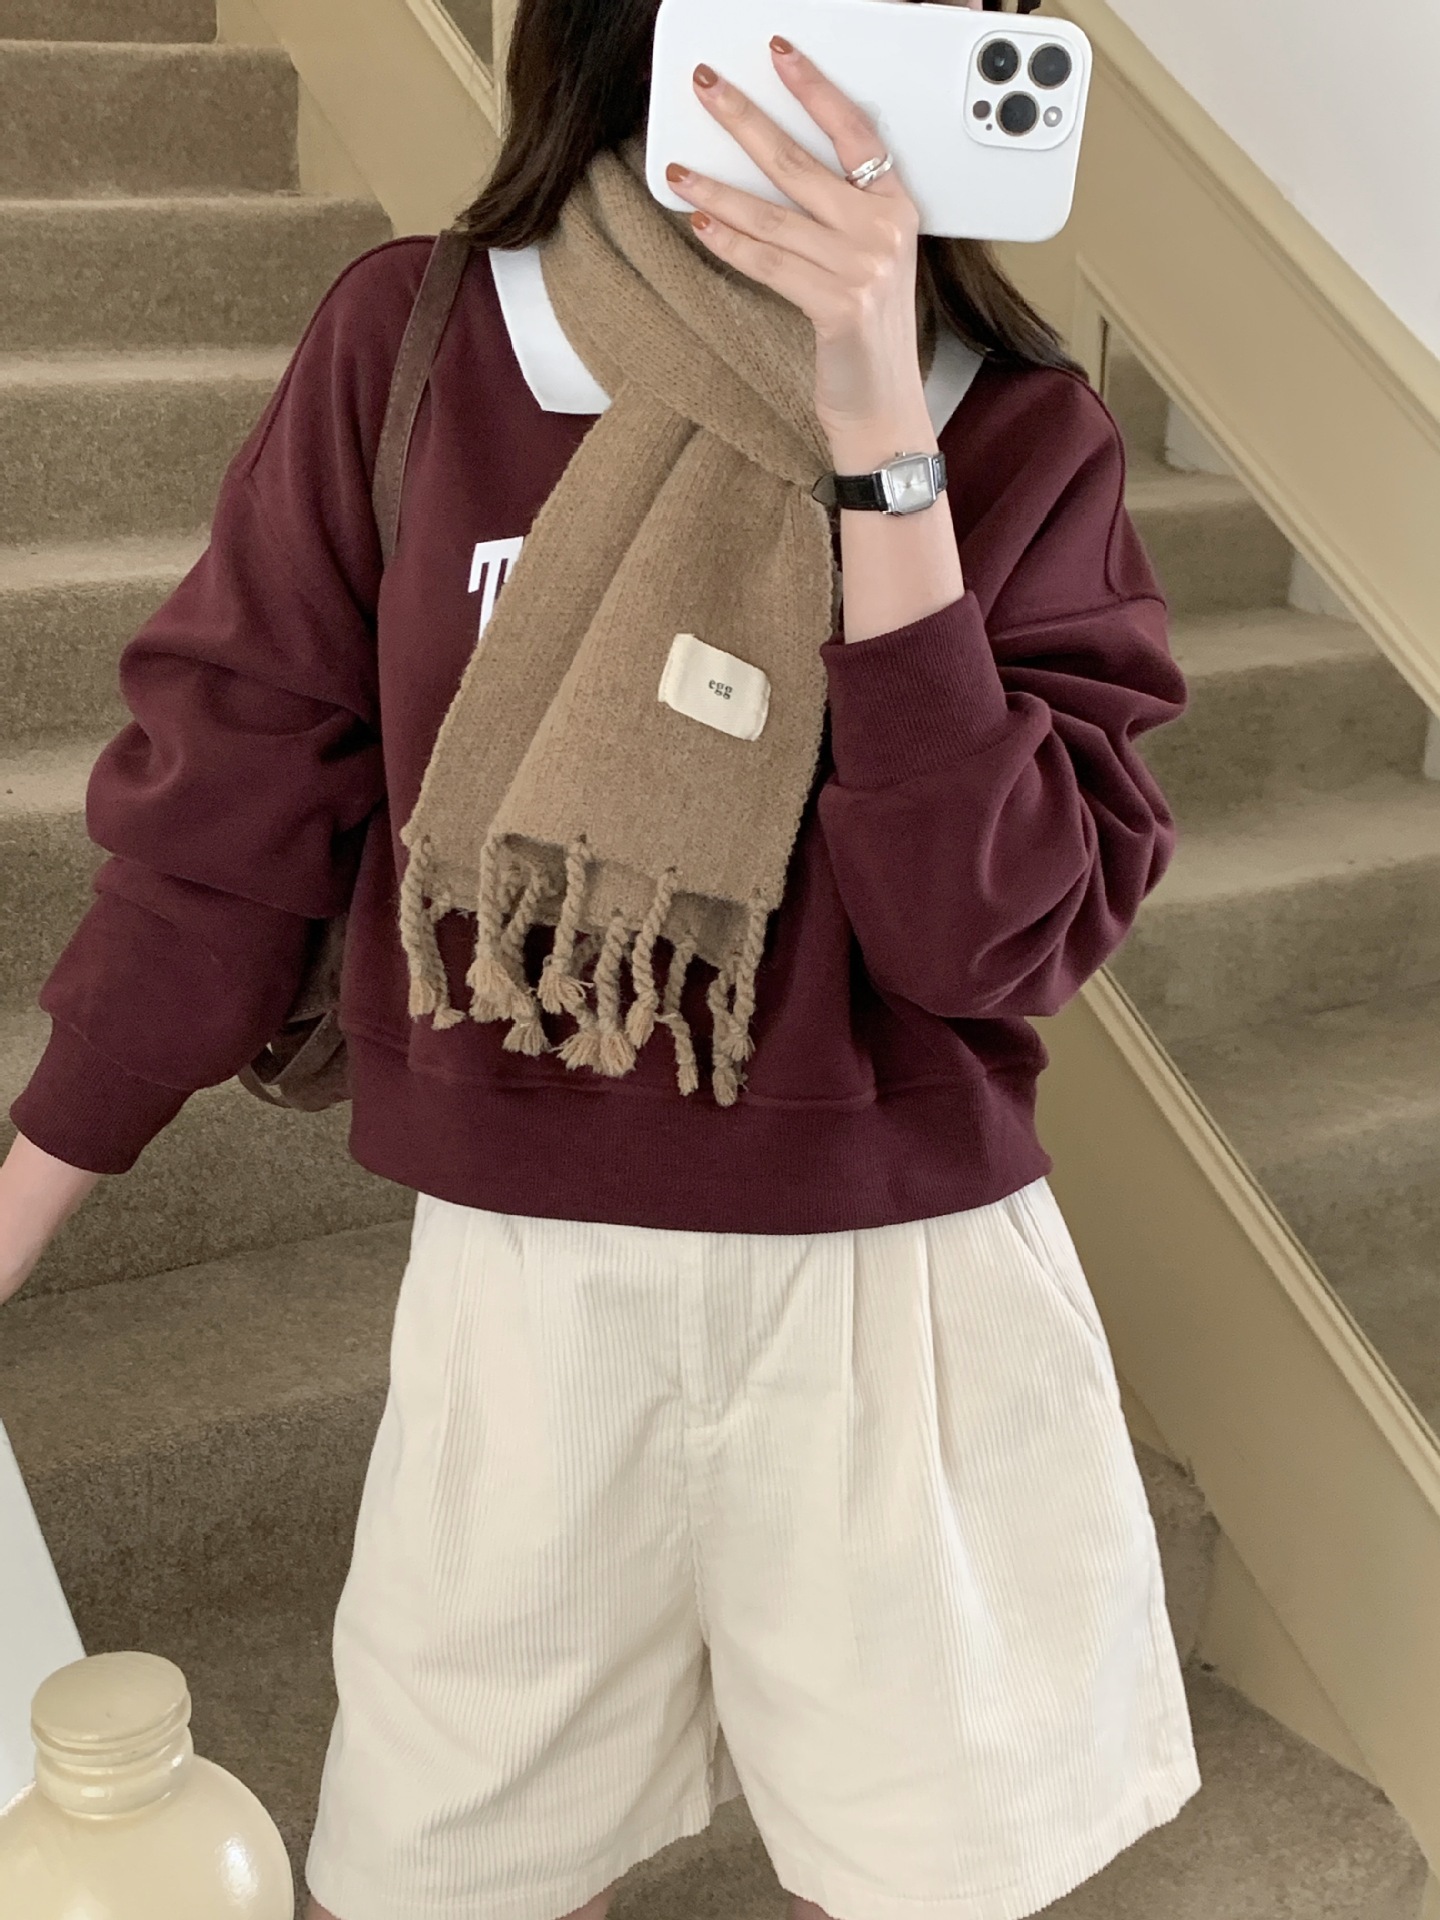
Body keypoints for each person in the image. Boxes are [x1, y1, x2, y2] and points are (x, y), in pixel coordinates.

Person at [0, 1, 1204, 1917]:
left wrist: (882, 442)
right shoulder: (420, 344)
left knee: (928, 1878)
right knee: (445, 1876)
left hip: (895, 1297)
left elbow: (988, 936)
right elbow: (229, 813)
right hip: (522, 1289)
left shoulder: (1012, 426)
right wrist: (18, 1209)